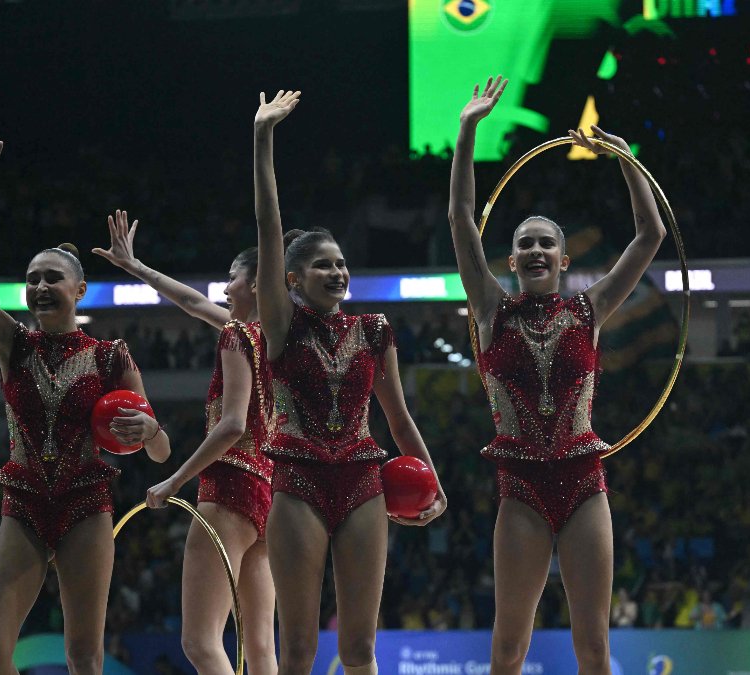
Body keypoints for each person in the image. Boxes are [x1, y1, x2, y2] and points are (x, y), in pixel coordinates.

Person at [448, 76, 665, 674]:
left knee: (593, 643)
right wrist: (468, 129)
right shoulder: (491, 310)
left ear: (565, 260)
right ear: (511, 260)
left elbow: (651, 235)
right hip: (519, 487)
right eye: (526, 245)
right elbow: (462, 218)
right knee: (508, 645)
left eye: (548, 243)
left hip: (583, 480)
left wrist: (625, 160)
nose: (537, 251)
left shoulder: (589, 310)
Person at [0, 133, 171, 674]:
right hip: (23, 504)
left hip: (85, 508)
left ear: (80, 290)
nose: (40, 286)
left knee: (83, 655)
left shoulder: (111, 356)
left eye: (53, 278)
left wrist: (149, 432)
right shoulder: (11, 344)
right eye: (32, 280)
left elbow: (160, 452)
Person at [253, 90, 446, 674]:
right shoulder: (281, 325)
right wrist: (263, 139)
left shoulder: (374, 329)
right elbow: (269, 227)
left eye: (341, 263)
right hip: (297, 482)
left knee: (360, 647)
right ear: (291, 279)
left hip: (363, 480)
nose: (336, 271)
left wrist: (433, 483)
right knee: (301, 648)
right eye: (322, 264)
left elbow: (399, 417)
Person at [93, 210, 277, 674]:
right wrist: (136, 268)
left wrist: (175, 479)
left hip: (229, 488)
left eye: (232, 278)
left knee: (199, 641)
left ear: (255, 285)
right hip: (270, 495)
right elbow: (194, 304)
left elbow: (233, 424)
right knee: (259, 649)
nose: (224, 288)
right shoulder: (280, 340)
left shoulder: (239, 336)